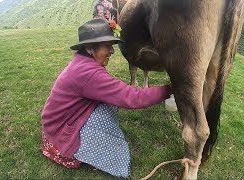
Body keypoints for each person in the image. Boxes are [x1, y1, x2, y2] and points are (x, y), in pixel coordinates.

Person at [41, 18, 171, 178]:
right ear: (89, 48)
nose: (112, 51)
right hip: (61, 134)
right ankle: (77, 153)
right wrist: (170, 89)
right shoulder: (88, 73)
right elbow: (133, 98)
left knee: (108, 104)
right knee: (105, 114)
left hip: (58, 124)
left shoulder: (82, 62)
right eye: (107, 46)